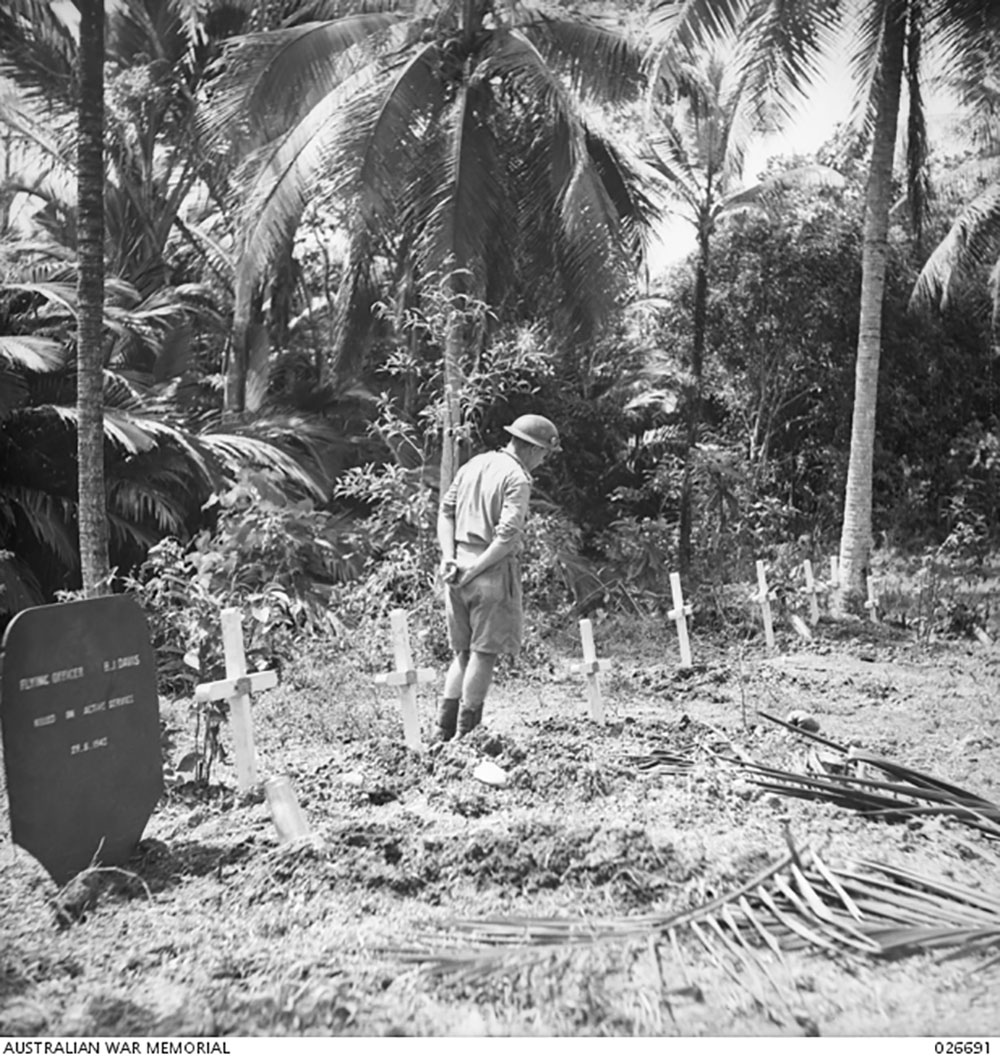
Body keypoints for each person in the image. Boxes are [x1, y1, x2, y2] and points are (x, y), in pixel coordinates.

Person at [435, 413, 561, 740]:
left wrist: (449, 558)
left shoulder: (473, 465)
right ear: (533, 449)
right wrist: (475, 570)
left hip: (456, 566)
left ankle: (442, 731)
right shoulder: (516, 478)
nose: (542, 462)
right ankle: (468, 733)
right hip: (487, 572)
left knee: (461, 654)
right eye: (544, 455)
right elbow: (506, 537)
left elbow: (445, 513)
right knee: (483, 654)